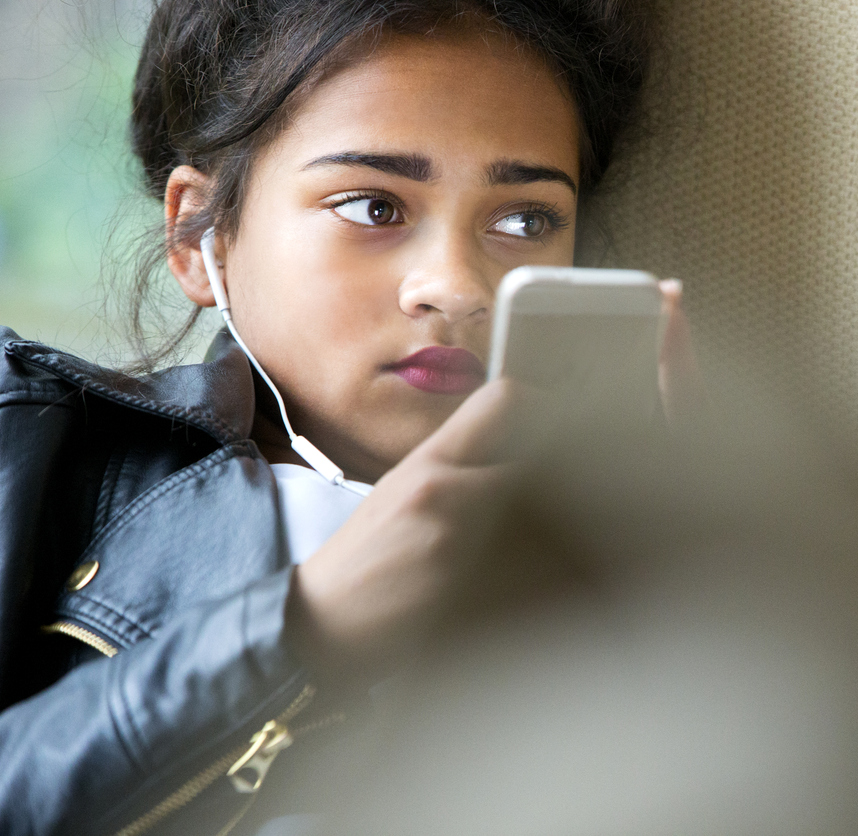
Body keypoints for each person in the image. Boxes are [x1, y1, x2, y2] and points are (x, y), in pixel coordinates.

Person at [0, 1, 692, 833]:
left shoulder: (625, 549)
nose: (457, 286)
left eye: (523, 220)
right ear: (197, 234)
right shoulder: (35, 440)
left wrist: (704, 589)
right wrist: (303, 624)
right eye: (373, 207)